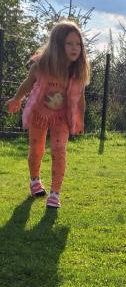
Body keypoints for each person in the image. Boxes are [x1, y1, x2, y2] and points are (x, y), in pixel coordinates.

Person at [6, 20, 90, 208]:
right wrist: (17, 99)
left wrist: (80, 119)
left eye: (78, 44)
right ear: (58, 44)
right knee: (37, 150)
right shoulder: (42, 65)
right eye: (69, 43)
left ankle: (55, 193)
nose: (75, 48)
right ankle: (35, 181)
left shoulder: (77, 72)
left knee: (59, 151)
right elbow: (28, 83)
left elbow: (80, 98)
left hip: (62, 117)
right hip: (39, 114)